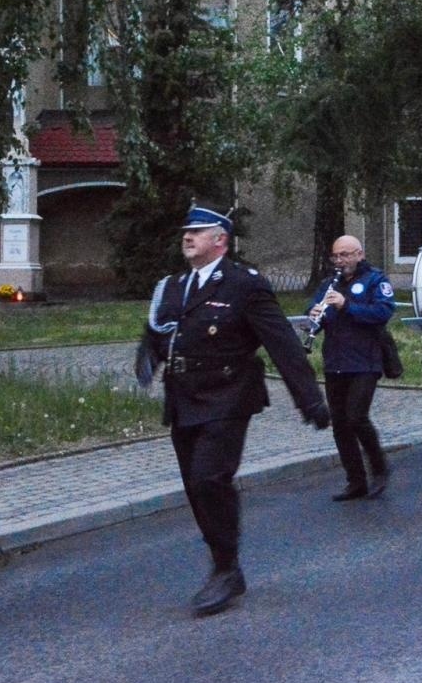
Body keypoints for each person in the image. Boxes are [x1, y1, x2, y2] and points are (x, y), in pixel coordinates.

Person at [136, 205, 331, 617]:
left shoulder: (244, 285)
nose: (187, 237)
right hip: (183, 397)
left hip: (228, 395)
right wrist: (147, 360)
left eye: (198, 232)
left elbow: (281, 342)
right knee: (195, 486)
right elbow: (158, 333)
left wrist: (310, 400)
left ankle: (225, 569)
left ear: (220, 240)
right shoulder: (173, 286)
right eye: (186, 231)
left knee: (209, 477)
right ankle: (223, 561)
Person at [308, 235, 395, 502]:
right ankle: (355, 481)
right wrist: (313, 316)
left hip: (365, 360)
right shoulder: (328, 284)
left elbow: (383, 312)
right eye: (336, 256)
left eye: (345, 255)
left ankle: (379, 468)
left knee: (357, 417)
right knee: (340, 425)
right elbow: (315, 312)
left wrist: (346, 305)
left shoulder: (375, 280)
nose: (340, 260)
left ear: (359, 254)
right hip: (335, 361)